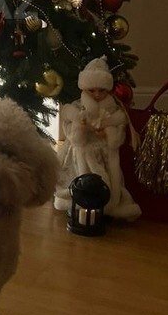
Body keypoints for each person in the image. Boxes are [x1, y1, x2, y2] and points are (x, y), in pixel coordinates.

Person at [55, 56, 141, 220]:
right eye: (92, 90)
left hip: (104, 153)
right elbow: (72, 135)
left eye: (102, 90)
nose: (97, 95)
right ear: (84, 88)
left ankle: (109, 203)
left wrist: (108, 132)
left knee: (108, 181)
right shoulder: (76, 107)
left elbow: (118, 135)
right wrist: (80, 127)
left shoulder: (113, 109)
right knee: (80, 176)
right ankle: (80, 200)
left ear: (108, 89)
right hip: (81, 150)